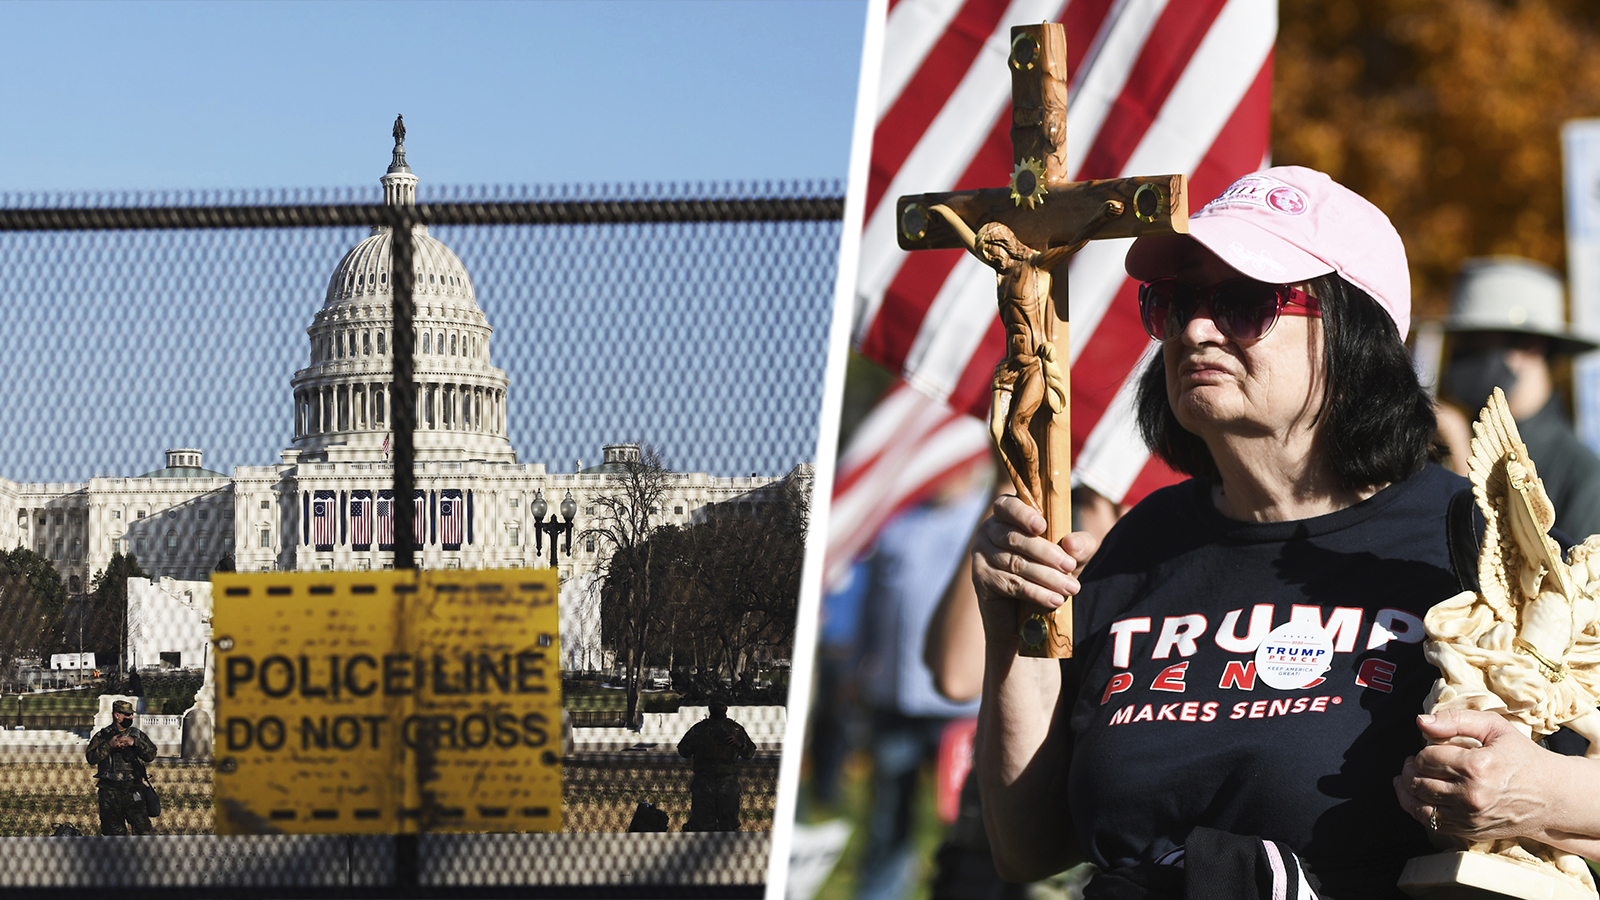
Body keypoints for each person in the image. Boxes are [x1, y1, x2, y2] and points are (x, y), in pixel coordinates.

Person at [968, 166, 1600, 899]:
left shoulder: (1477, 538)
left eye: (1243, 303)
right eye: (1173, 304)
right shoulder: (1141, 545)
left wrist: (1545, 794)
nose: (1196, 329)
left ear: (1355, 331)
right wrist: (1015, 633)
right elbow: (1029, 850)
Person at [1437, 256, 1600, 540]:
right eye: (1458, 344)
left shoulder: (1583, 477)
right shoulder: (1445, 440)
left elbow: (1555, 582)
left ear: (1529, 347)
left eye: (1475, 344)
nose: (1459, 358)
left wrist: (1464, 468)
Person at [677, 698, 755, 832]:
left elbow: (749, 753)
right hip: (703, 782)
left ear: (726, 708)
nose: (719, 707)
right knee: (702, 824)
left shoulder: (735, 729)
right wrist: (698, 743)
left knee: (728, 824)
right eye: (716, 704)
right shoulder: (700, 729)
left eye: (721, 704)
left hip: (727, 782)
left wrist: (739, 744)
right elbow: (683, 750)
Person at [86, 699, 156, 836]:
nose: (130, 717)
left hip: (133, 789)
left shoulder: (137, 735)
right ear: (117, 715)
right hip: (109, 792)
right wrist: (109, 745)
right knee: (113, 834)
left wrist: (135, 743)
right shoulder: (103, 736)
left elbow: (151, 755)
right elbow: (91, 758)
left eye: (131, 715)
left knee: (144, 831)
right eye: (126, 715)